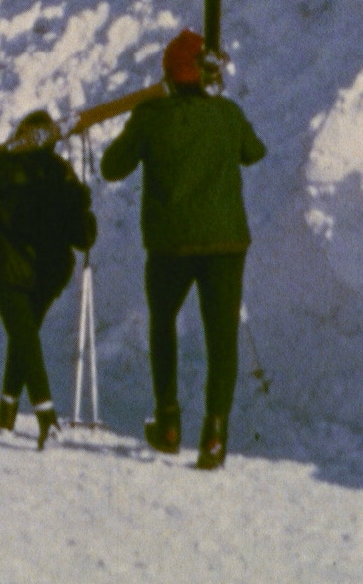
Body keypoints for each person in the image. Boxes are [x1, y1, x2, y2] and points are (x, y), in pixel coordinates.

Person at [99, 28, 266, 470]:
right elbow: (254, 152)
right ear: (206, 74)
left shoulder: (150, 115)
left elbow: (111, 167)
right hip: (226, 243)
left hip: (169, 244)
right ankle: (214, 435)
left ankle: (168, 422)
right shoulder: (228, 113)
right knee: (221, 337)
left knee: (163, 326)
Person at [0, 110, 94, 450]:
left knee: (24, 338)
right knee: (25, 337)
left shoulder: (0, 166)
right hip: (50, 273)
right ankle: (7, 412)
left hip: (7, 271)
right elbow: (83, 236)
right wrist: (83, 203)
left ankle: (47, 419)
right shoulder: (62, 173)